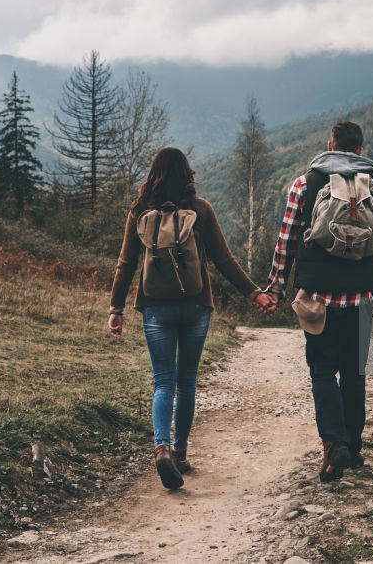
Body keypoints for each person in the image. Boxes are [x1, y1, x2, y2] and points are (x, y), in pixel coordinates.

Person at [108, 147, 275, 489]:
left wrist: (116, 309)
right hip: (196, 305)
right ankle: (181, 453)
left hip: (155, 306)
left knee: (163, 381)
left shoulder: (140, 211)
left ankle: (161, 448)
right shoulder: (200, 210)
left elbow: (125, 263)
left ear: (153, 174)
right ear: (187, 176)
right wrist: (255, 292)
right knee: (186, 381)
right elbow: (225, 259)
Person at [261, 121, 373, 482]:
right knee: (354, 372)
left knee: (322, 370)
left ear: (330, 144)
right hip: (361, 299)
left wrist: (276, 286)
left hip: (318, 298)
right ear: (360, 149)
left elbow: (287, 240)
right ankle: (352, 447)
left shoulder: (305, 184)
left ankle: (333, 443)